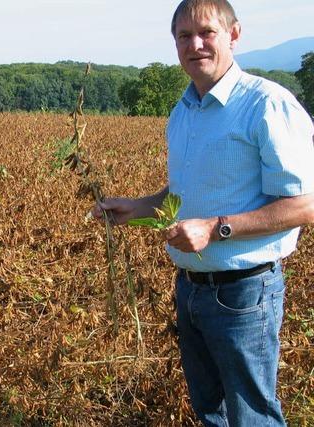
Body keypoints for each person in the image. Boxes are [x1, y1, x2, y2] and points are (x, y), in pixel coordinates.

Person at [92, 0, 314, 425]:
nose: (195, 44)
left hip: (244, 294)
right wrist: (135, 208)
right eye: (183, 36)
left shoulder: (267, 105)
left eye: (206, 33)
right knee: (209, 411)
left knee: (252, 416)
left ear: (233, 34)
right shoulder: (184, 111)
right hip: (190, 288)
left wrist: (216, 229)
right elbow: (183, 195)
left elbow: (304, 204)